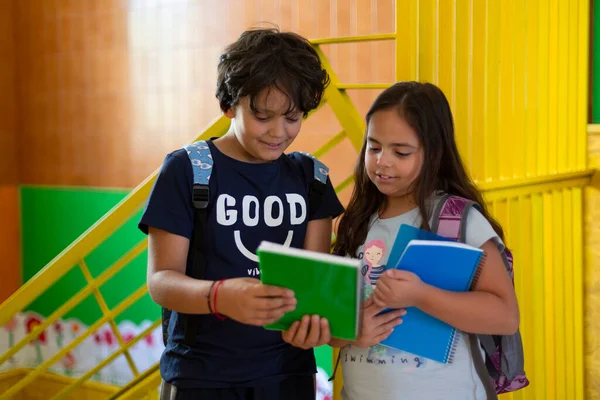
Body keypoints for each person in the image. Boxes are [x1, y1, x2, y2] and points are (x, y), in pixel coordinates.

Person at [139, 27, 344, 399]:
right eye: (263, 116)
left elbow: (313, 286)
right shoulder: (188, 169)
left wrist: (315, 323)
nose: (278, 132)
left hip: (287, 376)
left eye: (293, 117)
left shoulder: (312, 178)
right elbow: (161, 281)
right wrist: (220, 297)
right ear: (230, 103)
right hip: (201, 376)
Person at [330, 82, 520, 400]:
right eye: (373, 147)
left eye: (401, 152)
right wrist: (347, 329)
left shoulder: (457, 220)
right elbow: (334, 329)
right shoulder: (358, 221)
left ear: (434, 153)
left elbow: (505, 317)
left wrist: (420, 294)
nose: (382, 162)